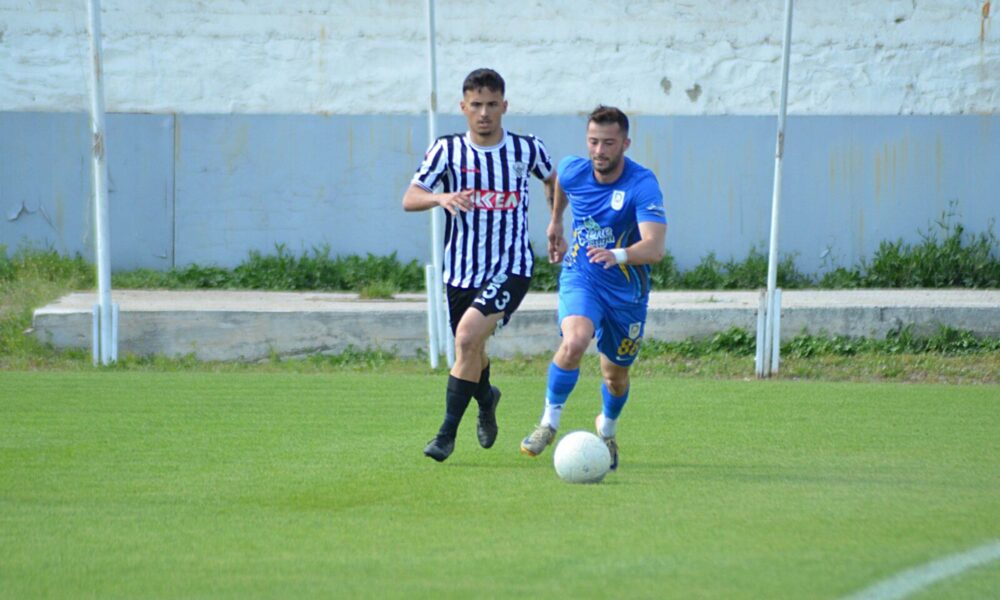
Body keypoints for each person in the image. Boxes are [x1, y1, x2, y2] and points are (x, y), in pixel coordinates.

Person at [403, 68, 555, 462]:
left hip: (511, 267)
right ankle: (486, 398)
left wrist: (555, 222)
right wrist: (440, 198)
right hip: (460, 271)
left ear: (504, 105)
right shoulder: (446, 150)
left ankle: (445, 435)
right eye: (476, 105)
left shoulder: (527, 149)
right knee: (471, 347)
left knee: (468, 338)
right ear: (463, 107)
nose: (484, 112)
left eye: (491, 104)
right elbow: (410, 197)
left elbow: (552, 179)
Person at [519, 105, 667, 471]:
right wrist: (556, 222)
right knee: (574, 341)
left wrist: (618, 255)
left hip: (626, 291)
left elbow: (654, 248)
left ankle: (607, 429)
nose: (599, 151)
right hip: (582, 275)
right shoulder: (574, 169)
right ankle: (548, 423)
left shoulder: (641, 184)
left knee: (615, 378)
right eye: (593, 142)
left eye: (608, 143)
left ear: (625, 144)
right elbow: (560, 183)